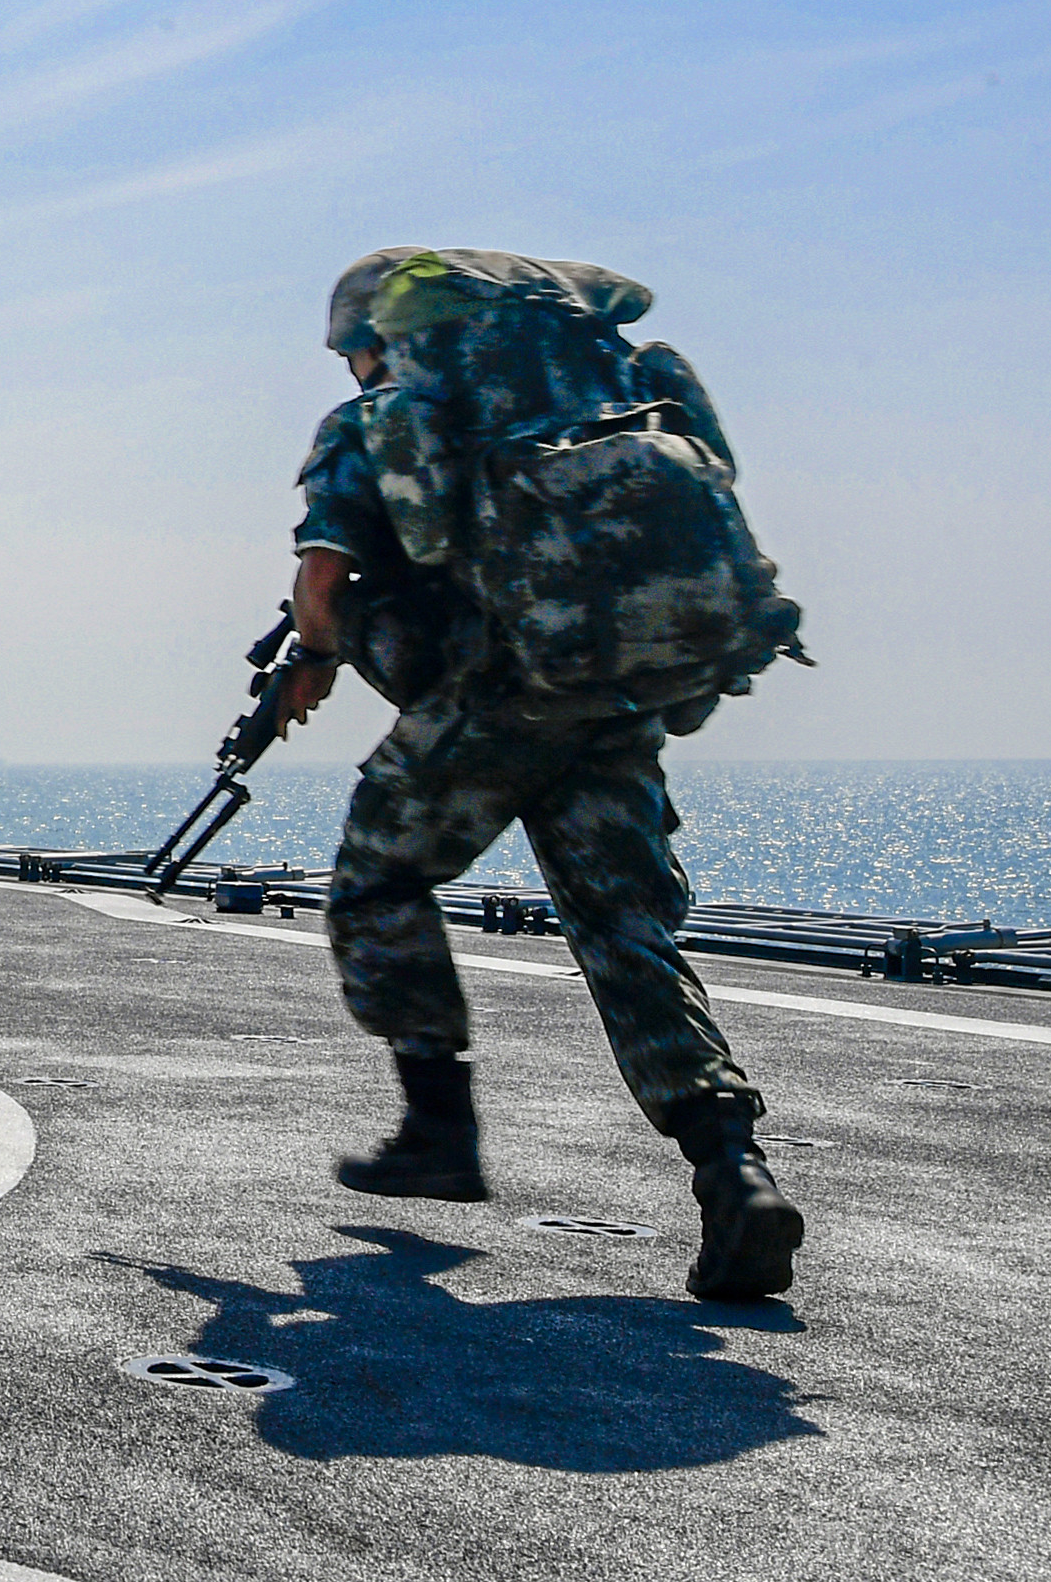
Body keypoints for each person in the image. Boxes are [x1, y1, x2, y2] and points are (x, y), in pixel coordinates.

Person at [278, 247, 810, 1303]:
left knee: (376, 879)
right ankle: (732, 1168)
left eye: (350, 351)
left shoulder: (380, 419)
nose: (350, 369)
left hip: (496, 698)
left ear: (379, 339)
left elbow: (321, 588)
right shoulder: (621, 391)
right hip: (612, 698)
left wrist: (315, 657)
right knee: (624, 933)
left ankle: (436, 1125)